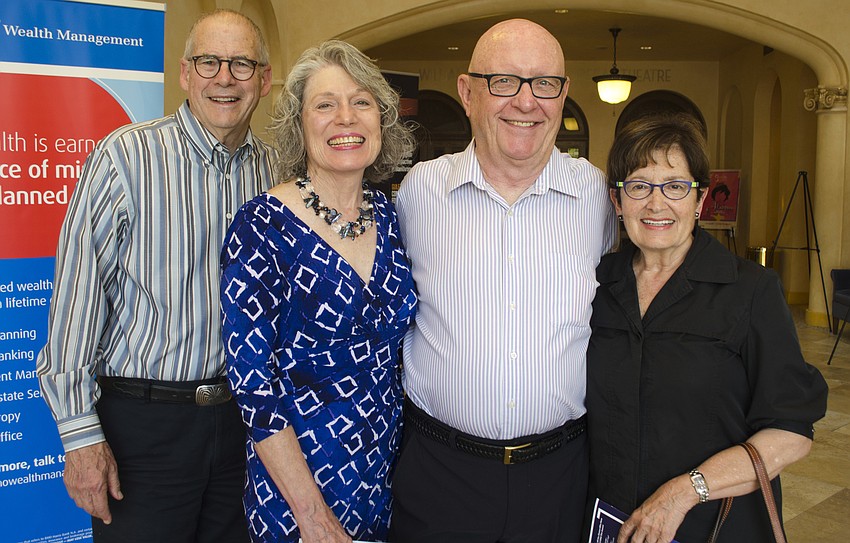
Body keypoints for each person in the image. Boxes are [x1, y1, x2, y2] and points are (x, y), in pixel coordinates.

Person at [36, 9, 274, 542]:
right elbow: (78, 296)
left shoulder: (275, 171)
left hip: (245, 428)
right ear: (186, 73)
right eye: (209, 61)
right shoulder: (125, 155)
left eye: (241, 64)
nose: (224, 78)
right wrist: (80, 438)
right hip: (143, 432)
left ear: (263, 79)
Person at [390, 19, 617, 543]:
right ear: (467, 93)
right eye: (504, 82)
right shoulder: (420, 194)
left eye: (544, 83)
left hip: (560, 475)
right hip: (438, 471)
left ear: (564, 95)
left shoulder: (598, 198)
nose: (526, 101)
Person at [585, 112, 828, 542]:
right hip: (611, 522)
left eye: (675, 186)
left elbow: (792, 432)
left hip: (715, 525)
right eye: (639, 186)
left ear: (698, 201)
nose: (656, 205)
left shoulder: (751, 291)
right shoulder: (597, 284)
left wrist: (683, 492)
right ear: (617, 201)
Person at [220, 40, 417, 543]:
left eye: (362, 102)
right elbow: (253, 388)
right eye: (325, 105)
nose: (345, 118)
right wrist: (311, 515)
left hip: (388, 481)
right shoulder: (261, 225)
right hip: (297, 497)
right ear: (299, 125)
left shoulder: (393, 217)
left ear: (382, 120)